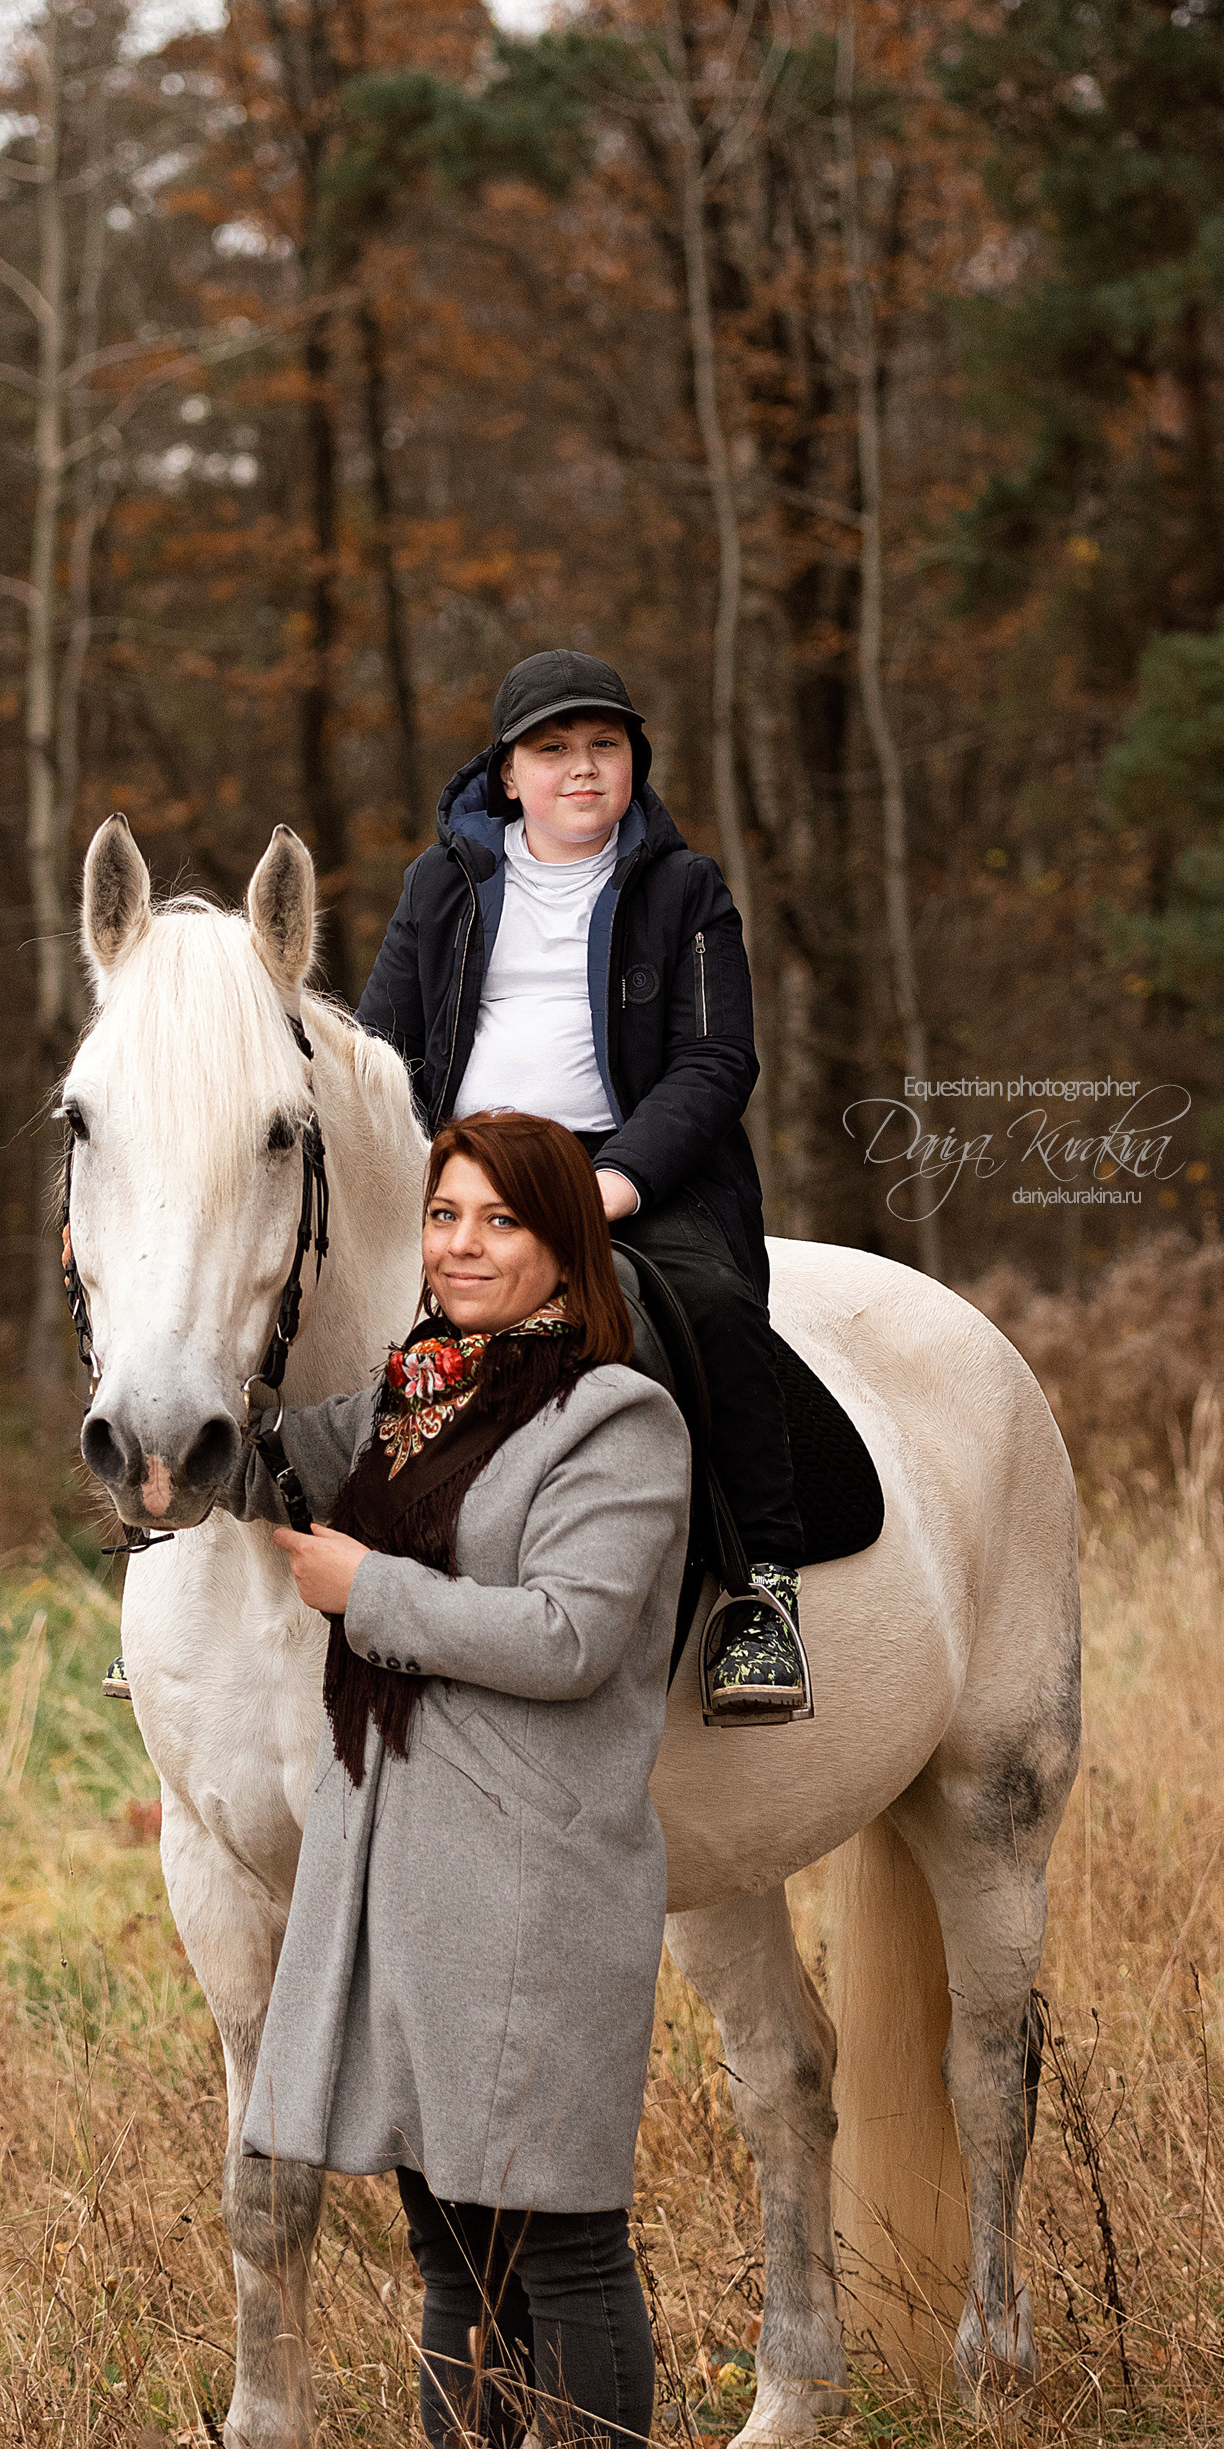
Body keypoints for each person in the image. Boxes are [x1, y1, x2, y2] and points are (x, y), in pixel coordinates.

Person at [241, 1110, 691, 2449]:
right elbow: (244, 1466)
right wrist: (142, 1322)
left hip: (533, 1879)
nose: (459, 1245)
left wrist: (366, 1590)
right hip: (407, 1874)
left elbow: (567, 1636)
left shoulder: (616, 1418)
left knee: (556, 2236)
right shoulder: (409, 1392)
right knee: (449, 2242)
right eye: (443, 1216)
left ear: (564, 1244)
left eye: (496, 1221)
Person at [356, 646, 808, 1716]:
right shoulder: (443, 886)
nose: (580, 769)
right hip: (453, 1162)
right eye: (551, 750)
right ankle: (190, 1572)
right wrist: (414, 1177)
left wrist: (612, 1182)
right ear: (506, 774)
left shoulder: (682, 888)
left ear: (631, 763)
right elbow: (376, 1044)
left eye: (603, 746)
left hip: (632, 1165)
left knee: (711, 1309)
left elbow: (715, 1061)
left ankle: (761, 1592)